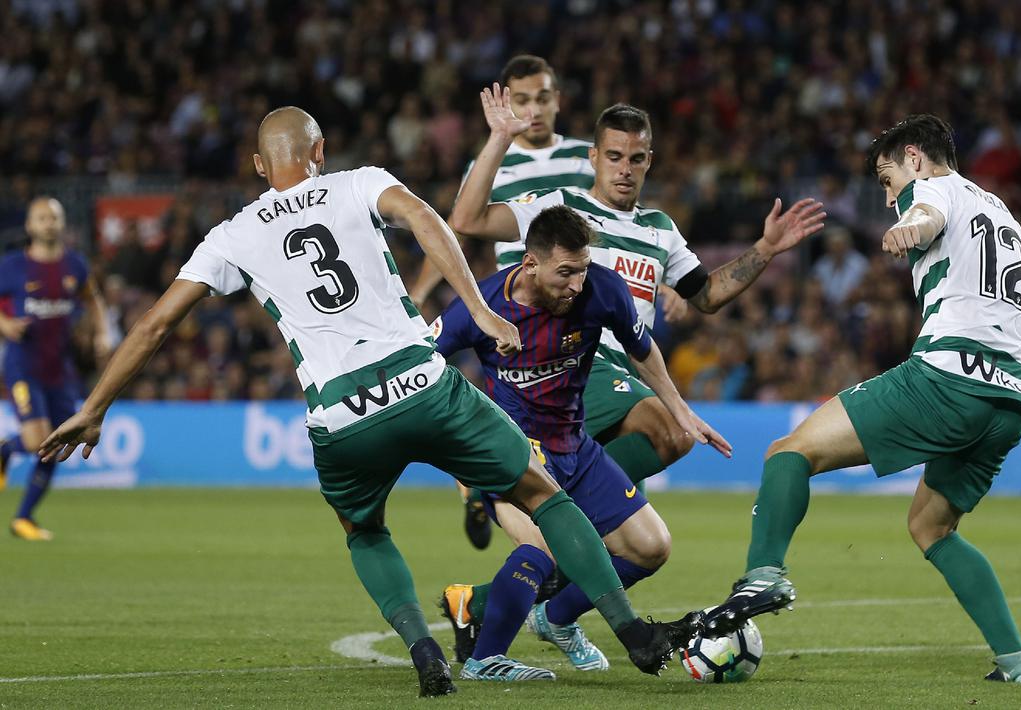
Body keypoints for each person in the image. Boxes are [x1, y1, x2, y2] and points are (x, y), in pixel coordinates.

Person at [37, 107, 703, 698]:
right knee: (545, 496)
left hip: (341, 416)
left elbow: (154, 324)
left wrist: (96, 405)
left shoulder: (230, 235)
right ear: (319, 151)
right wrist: (476, 306)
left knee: (364, 530)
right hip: (423, 383)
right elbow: (425, 220)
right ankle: (631, 632)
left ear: (258, 167)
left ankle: (423, 650)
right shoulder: (358, 182)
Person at [702, 114, 1021, 684]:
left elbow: (925, 212)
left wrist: (910, 229)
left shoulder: (931, 190)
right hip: (1014, 399)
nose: (888, 193)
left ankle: (763, 574)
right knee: (931, 528)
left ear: (915, 158)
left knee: (789, 453)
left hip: (948, 378)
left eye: (886, 177)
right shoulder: (1003, 217)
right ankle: (1018, 663)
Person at [447, 85, 825, 497]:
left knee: (632, 545)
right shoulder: (560, 208)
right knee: (671, 431)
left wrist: (765, 248)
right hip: (576, 363)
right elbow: (468, 219)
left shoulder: (660, 230)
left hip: (630, 379)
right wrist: (500, 138)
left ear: (649, 162)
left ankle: (541, 507)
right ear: (593, 157)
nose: (624, 169)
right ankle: (554, 500)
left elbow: (708, 294)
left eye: (635, 159)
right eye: (613, 156)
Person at [433, 205, 730, 681]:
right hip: (512, 452)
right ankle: (484, 659)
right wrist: (459, 442)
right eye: (565, 272)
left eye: (583, 269)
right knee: (548, 552)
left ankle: (552, 617)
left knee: (651, 546)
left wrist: (680, 410)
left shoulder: (602, 290)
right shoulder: (482, 307)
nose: (576, 284)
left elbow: (643, 349)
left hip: (576, 446)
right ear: (530, 265)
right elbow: (423, 366)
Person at [410, 54, 686, 550]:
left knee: (615, 531)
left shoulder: (589, 156)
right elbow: (461, 227)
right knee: (633, 476)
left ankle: (518, 550)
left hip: (587, 321)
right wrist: (426, 289)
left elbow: (610, 229)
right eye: (522, 99)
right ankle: (534, 507)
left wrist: (659, 279)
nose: (533, 109)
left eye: (542, 97)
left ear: (558, 100)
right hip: (520, 320)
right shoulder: (494, 163)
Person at [0, 197, 110, 541]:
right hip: (23, 365)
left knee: (60, 441)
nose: (48, 223)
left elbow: (93, 299)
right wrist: (4, 325)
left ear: (62, 225)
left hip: (60, 370)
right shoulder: (12, 266)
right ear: (30, 226)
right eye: (41, 218)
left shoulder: (75, 266)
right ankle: (6, 449)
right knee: (36, 440)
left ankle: (24, 519)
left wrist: (102, 331)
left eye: (54, 218)